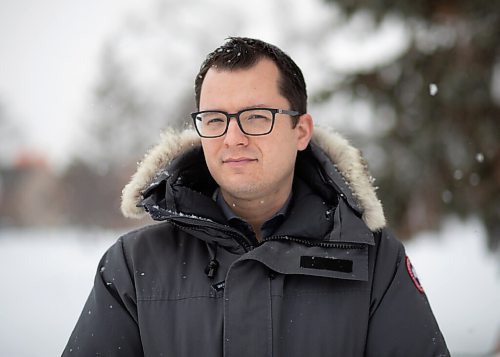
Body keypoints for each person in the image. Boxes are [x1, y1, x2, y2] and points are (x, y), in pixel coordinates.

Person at [63, 37, 449, 356]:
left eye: (256, 116)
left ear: (301, 131)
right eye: (215, 119)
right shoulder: (134, 265)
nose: (233, 138)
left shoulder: (373, 259)